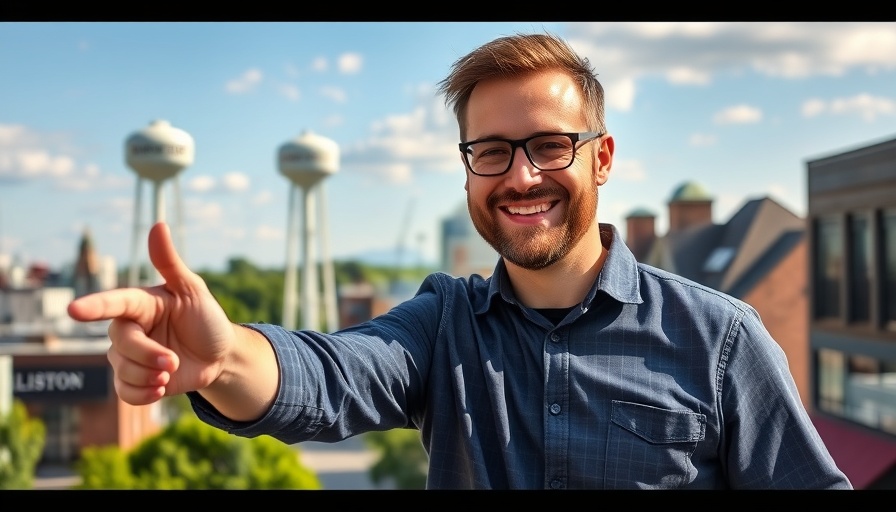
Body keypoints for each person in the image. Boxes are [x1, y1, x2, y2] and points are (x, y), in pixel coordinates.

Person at [67, 32, 852, 490]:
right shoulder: (445, 325)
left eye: (549, 145)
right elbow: (329, 377)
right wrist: (224, 358)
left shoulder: (720, 342)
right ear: (467, 165)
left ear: (602, 157)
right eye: (491, 151)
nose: (520, 176)